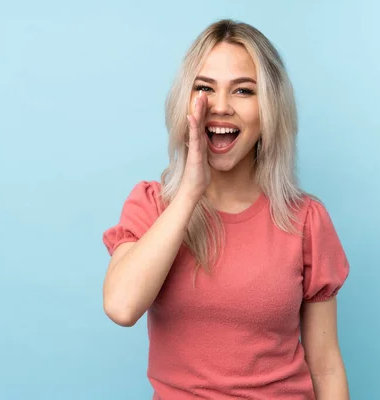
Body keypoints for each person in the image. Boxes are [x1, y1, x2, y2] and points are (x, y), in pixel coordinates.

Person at [101, 19, 350, 400]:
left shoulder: (305, 219)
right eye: (204, 88)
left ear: (269, 110)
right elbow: (121, 306)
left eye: (243, 91)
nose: (220, 107)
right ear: (185, 102)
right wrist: (188, 193)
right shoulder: (152, 205)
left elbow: (326, 364)